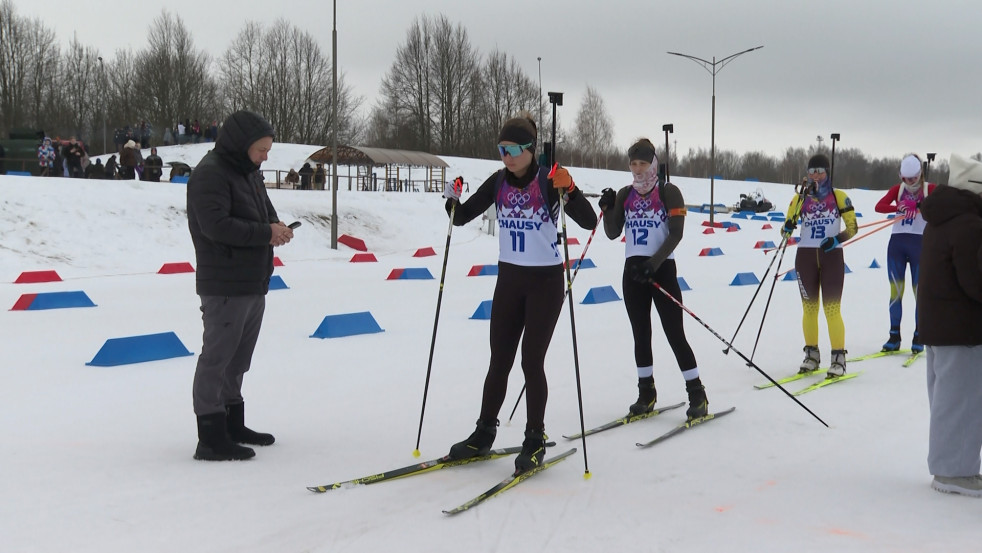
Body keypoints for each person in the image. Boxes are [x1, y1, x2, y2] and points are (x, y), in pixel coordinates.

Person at [441, 115, 596, 474]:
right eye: (501, 150)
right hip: (509, 281)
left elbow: (589, 222)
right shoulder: (498, 182)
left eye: (511, 150)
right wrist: (450, 198)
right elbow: (461, 217)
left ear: (529, 151)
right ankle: (483, 433)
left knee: (531, 362)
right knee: (499, 360)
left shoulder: (548, 180)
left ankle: (534, 438)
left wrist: (570, 188)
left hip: (544, 283)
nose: (505, 157)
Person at [186, 110, 294, 461]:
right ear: (241, 144)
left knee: (237, 360)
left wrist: (276, 225)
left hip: (252, 280)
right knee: (217, 359)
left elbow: (264, 210)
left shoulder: (248, 173)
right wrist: (267, 233)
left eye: (267, 150)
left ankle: (233, 423)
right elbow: (216, 226)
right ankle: (211, 435)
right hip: (225, 283)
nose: (265, 157)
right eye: (261, 150)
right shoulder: (209, 174)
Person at [598, 139, 709, 420]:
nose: (637, 169)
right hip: (633, 273)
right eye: (633, 164)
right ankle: (646, 393)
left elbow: (676, 234)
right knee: (641, 333)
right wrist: (608, 209)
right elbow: (612, 233)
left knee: (674, 333)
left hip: (661, 271)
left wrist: (654, 264)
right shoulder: (626, 193)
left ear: (653, 163)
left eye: (642, 163)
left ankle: (697, 393)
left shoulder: (668, 192)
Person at [918, 153, 982, 497]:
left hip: (939, 325)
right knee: (962, 401)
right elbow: (975, 281)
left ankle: (949, 467)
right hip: (963, 329)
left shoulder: (940, 219)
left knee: (947, 400)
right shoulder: (969, 225)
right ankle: (953, 472)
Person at [781, 154, 858, 378]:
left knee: (831, 309)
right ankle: (812, 355)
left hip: (831, 256)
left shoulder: (839, 196)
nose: (815, 175)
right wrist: (786, 228)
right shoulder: (799, 199)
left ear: (827, 173)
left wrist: (837, 239)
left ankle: (838, 358)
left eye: (819, 171)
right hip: (805, 257)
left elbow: (853, 228)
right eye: (811, 171)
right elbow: (786, 228)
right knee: (809, 309)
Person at [874, 154, 937, 352]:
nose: (909, 183)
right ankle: (894, 336)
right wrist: (898, 206)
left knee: (920, 293)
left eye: (912, 179)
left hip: (920, 245)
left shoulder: (930, 189)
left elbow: (940, 206)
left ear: (920, 175)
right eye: (905, 178)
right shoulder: (897, 189)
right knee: (896, 292)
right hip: (897, 246)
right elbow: (879, 207)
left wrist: (918, 205)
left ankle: (919, 335)